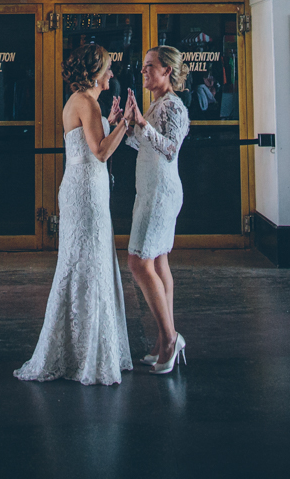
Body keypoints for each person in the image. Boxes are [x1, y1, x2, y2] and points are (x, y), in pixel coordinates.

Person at [14, 44, 134, 385]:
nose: (112, 73)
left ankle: (78, 346)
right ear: (96, 73)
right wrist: (124, 123)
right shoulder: (87, 102)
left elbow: (89, 141)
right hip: (86, 194)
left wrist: (109, 123)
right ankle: (88, 354)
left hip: (81, 189)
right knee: (90, 265)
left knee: (83, 263)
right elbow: (99, 152)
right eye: (109, 68)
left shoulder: (81, 102)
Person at [125, 45, 191, 375]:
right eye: (143, 66)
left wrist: (142, 124)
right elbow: (141, 143)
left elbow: (169, 149)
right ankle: (163, 338)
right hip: (149, 190)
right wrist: (128, 122)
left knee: (138, 262)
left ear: (167, 71)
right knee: (159, 260)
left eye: (150, 66)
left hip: (160, 195)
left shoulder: (173, 107)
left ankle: (169, 338)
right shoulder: (157, 105)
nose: (144, 71)